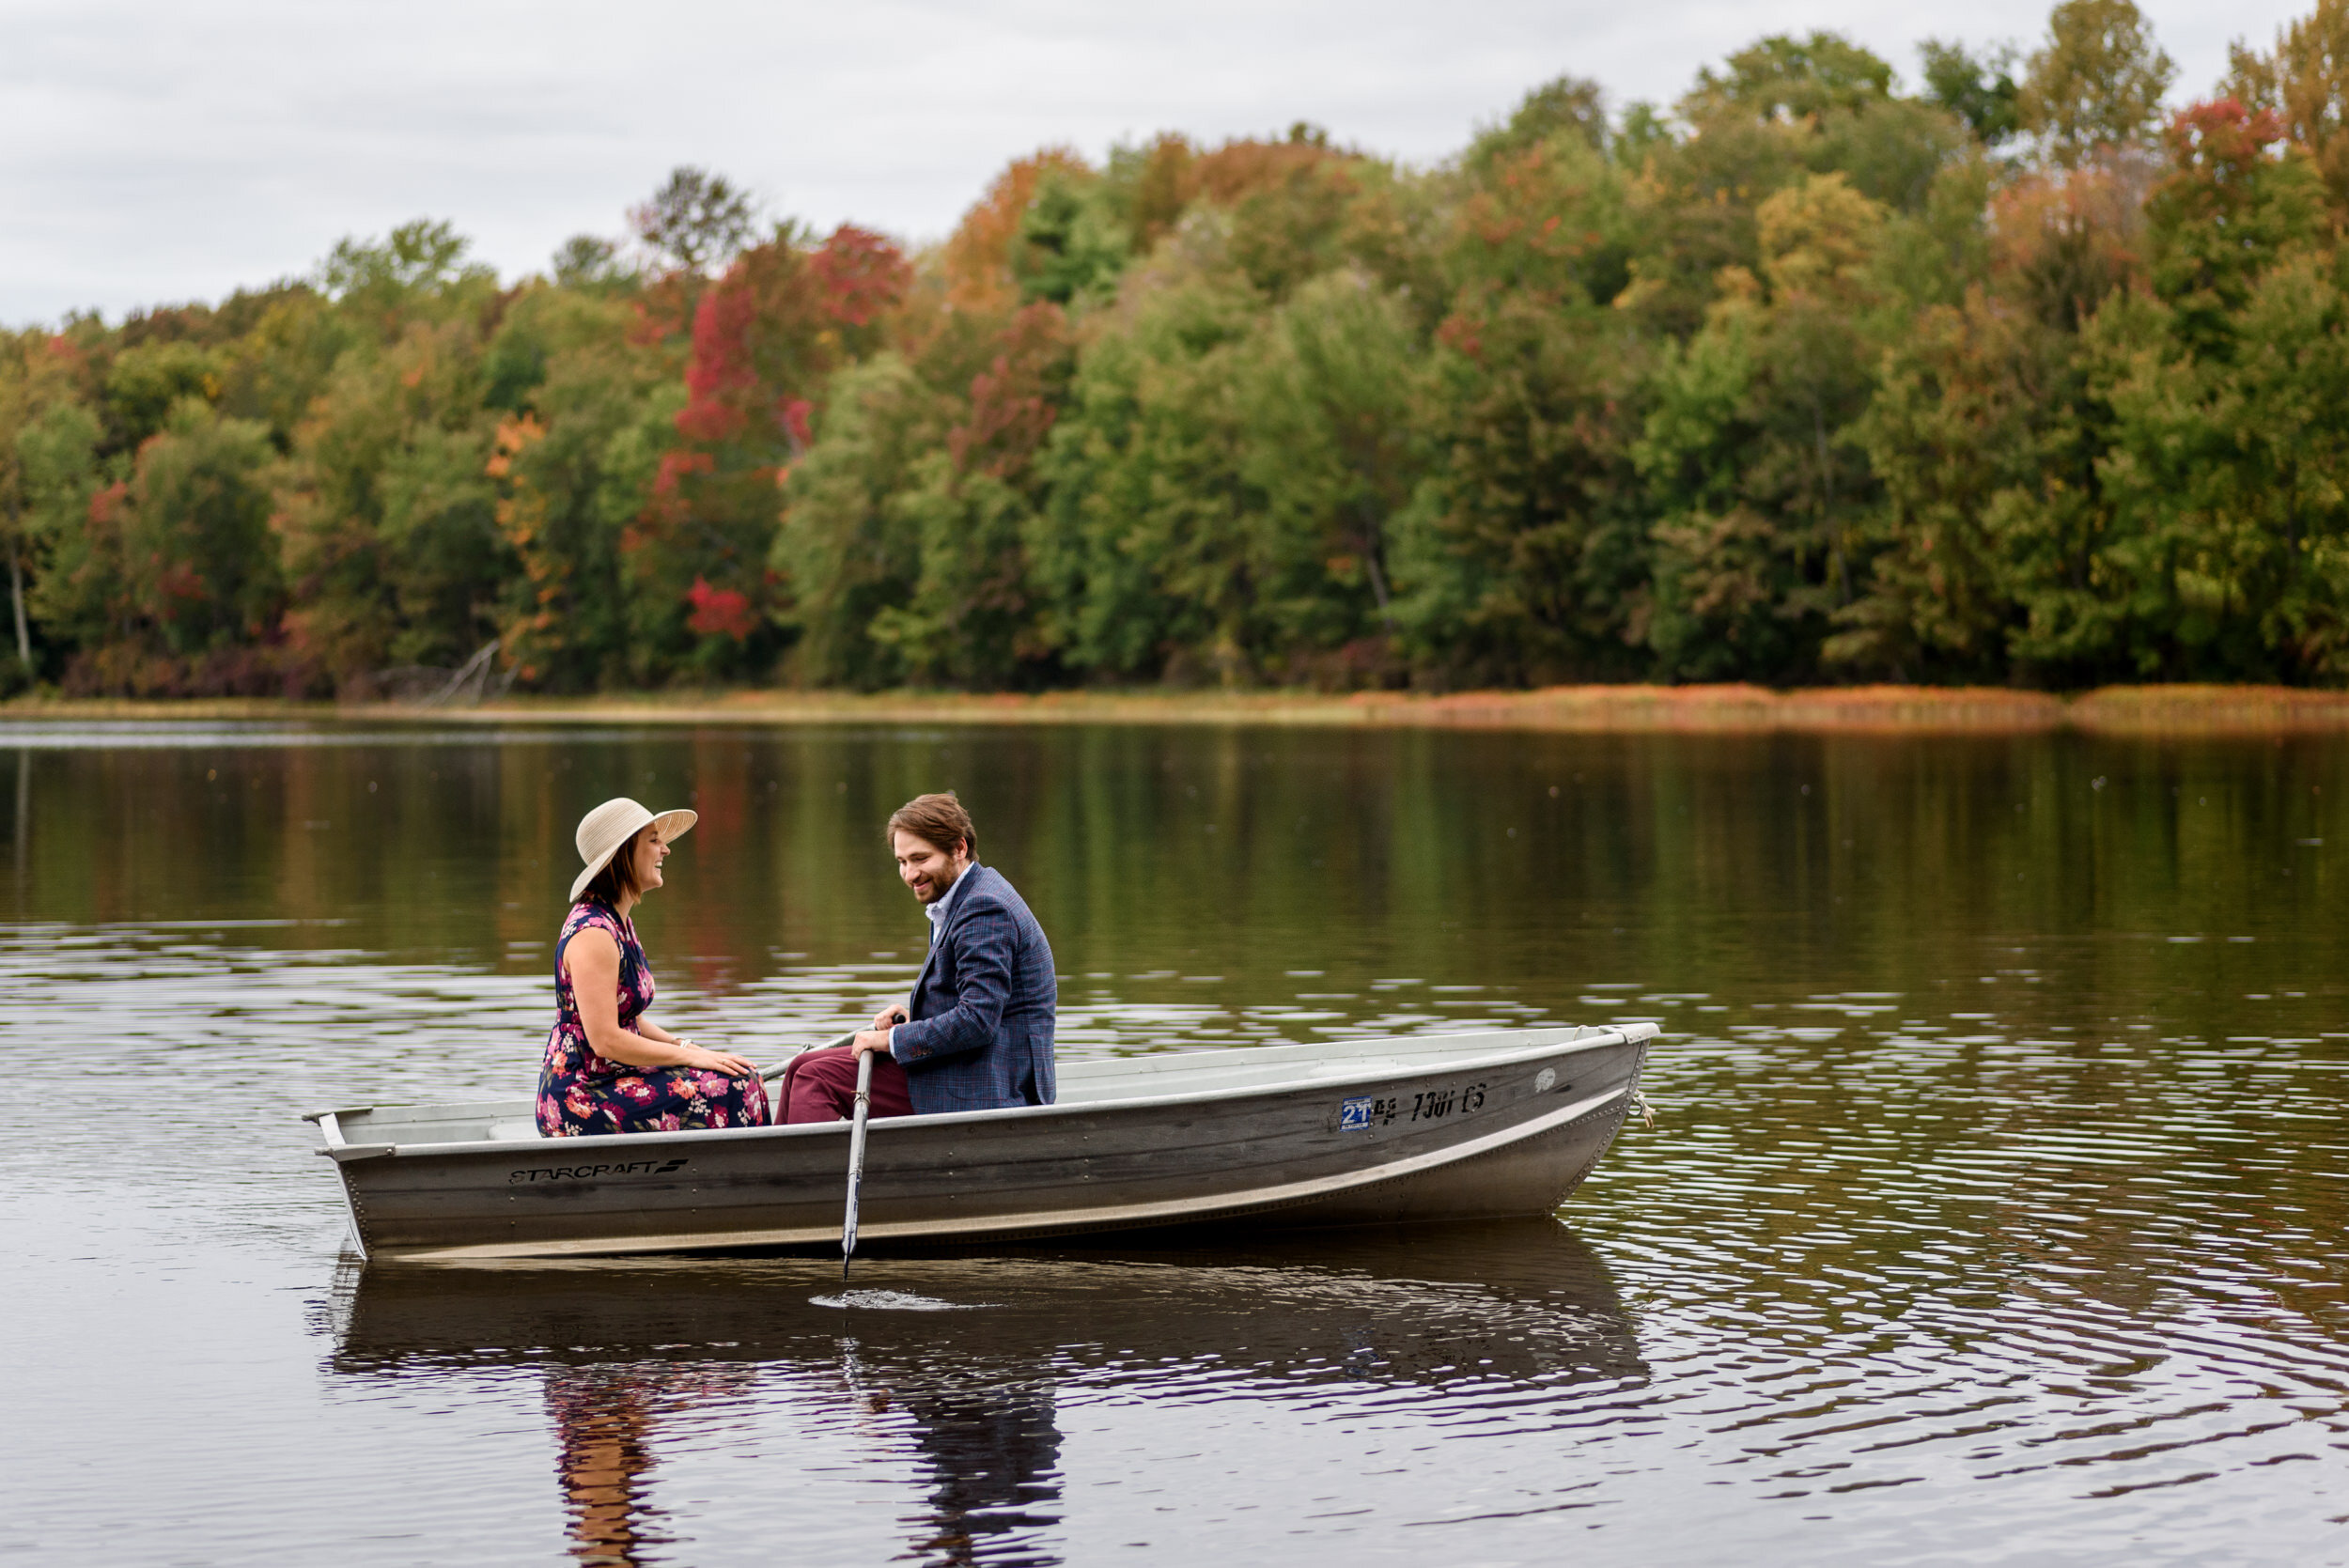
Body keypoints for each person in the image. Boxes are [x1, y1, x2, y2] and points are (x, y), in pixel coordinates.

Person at [782, 792, 1056, 1122]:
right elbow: (974, 1004)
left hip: (987, 1085)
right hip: (967, 1066)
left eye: (920, 859)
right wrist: (913, 1021)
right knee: (802, 1065)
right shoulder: (959, 896)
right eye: (902, 862)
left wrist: (892, 1039)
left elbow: (978, 1021)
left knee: (816, 1078)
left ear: (958, 848)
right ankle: (773, 1168)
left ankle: (801, 1174)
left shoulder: (984, 908)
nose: (910, 874)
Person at [537, 797, 770, 1137]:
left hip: (614, 1078)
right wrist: (691, 1060)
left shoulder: (617, 921)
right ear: (624, 853)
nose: (665, 850)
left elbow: (631, 1021)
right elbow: (605, 1041)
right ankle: (740, 1181)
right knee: (735, 1089)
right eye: (654, 840)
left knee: (742, 1077)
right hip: (582, 1097)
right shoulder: (594, 933)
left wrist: (689, 1048)